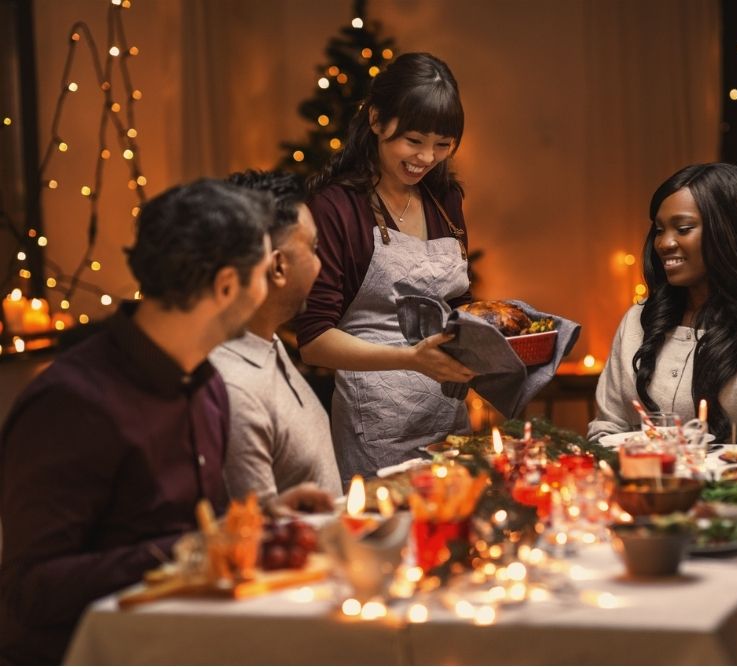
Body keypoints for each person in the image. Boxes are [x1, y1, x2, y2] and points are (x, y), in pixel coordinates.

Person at [1, 180, 286, 664]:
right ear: (224, 286)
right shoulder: (72, 403)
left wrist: (259, 523)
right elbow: (30, 589)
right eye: (263, 272)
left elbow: (193, 533)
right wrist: (188, 549)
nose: (268, 288)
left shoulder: (204, 383)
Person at [296, 52, 475, 481]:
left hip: (449, 416)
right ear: (377, 120)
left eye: (442, 145)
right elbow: (314, 340)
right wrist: (411, 359)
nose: (426, 157)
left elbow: (461, 303)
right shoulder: (337, 207)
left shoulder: (444, 199)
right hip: (375, 425)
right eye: (413, 140)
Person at [588, 163, 737, 445]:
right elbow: (606, 429)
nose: (664, 243)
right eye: (659, 230)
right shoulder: (638, 319)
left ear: (730, 233)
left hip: (727, 489)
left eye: (683, 228)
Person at [213, 169, 343, 508]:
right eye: (314, 248)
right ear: (278, 267)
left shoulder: (265, 341)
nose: (322, 263)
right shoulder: (235, 387)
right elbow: (259, 538)